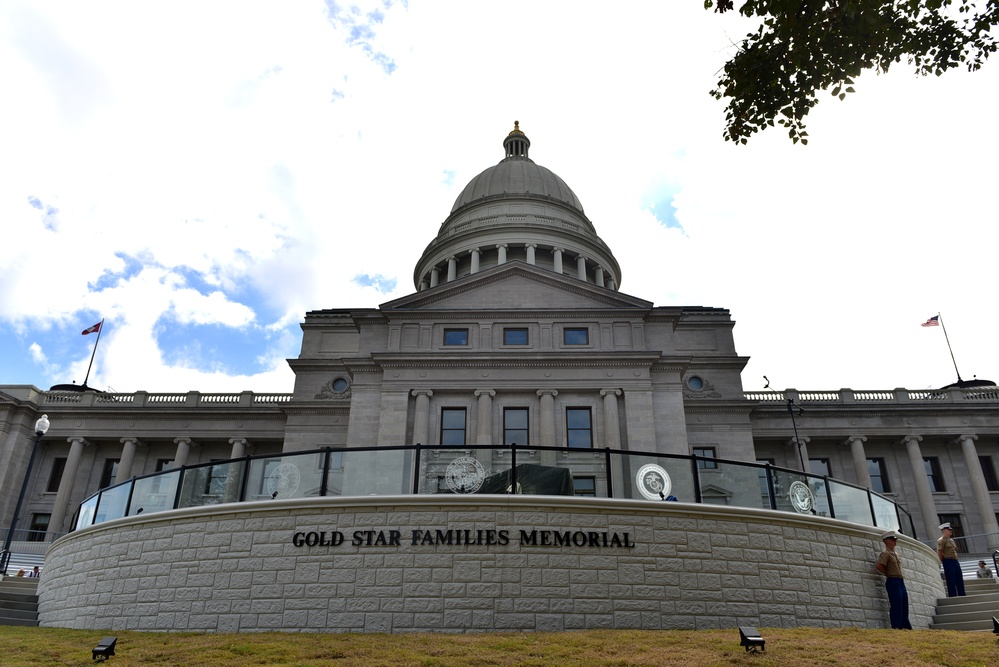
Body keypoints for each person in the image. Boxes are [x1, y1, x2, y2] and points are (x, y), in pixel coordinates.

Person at [876, 531, 912, 629]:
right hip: (893, 581)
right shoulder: (885, 553)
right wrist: (888, 573)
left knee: (904, 604)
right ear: (887, 541)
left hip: (900, 581)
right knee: (896, 604)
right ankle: (897, 626)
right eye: (892, 539)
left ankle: (906, 626)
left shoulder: (895, 554)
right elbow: (879, 565)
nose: (895, 541)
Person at [937, 523, 966, 597]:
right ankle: (953, 595)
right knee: (951, 580)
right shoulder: (941, 540)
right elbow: (940, 552)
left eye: (950, 529)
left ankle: (962, 594)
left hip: (955, 560)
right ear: (943, 530)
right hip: (948, 561)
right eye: (948, 529)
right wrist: (940, 562)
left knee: (959, 578)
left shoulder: (951, 540)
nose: (950, 531)